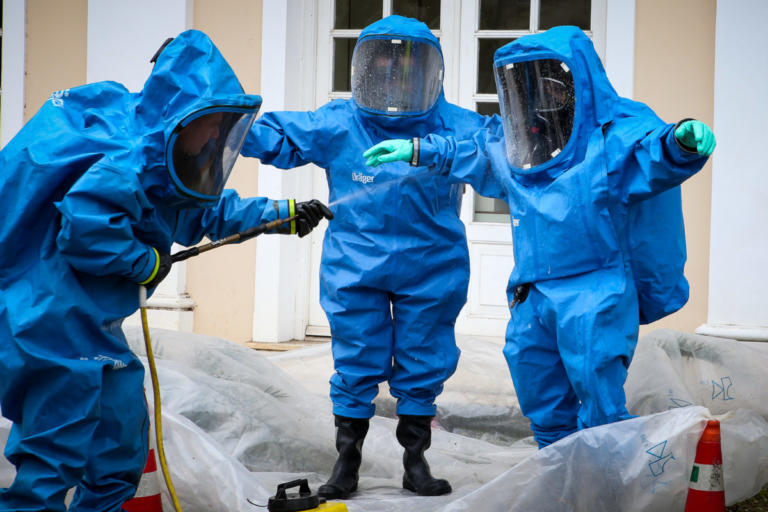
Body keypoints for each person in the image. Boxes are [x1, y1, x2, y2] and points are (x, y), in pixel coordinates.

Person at [0, 30, 332, 512]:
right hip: (50, 321)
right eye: (211, 123)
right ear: (181, 115)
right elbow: (84, 228)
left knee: (120, 441)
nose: (215, 136)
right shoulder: (129, 160)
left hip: (91, 327)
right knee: (54, 452)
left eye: (221, 125)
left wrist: (282, 214)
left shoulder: (167, 159)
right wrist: (146, 263)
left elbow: (202, 210)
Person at [363, 26, 715, 449]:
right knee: (536, 383)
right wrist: (418, 150)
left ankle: (608, 478)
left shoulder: (614, 132)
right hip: (532, 290)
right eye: (529, 84)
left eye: (551, 84)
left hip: (594, 288)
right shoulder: (515, 142)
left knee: (599, 398)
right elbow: (472, 151)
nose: (541, 96)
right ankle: (558, 472)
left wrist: (682, 142)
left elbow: (651, 154)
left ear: (576, 82)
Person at [241, 15, 499, 498]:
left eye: (406, 65)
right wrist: (215, 117)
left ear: (429, 71)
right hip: (356, 264)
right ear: (365, 68)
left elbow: (503, 160)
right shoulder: (341, 122)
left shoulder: (458, 126)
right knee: (356, 357)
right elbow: (273, 136)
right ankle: (347, 464)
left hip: (433, 264)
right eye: (383, 63)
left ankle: (415, 464)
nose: (394, 74)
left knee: (424, 358)